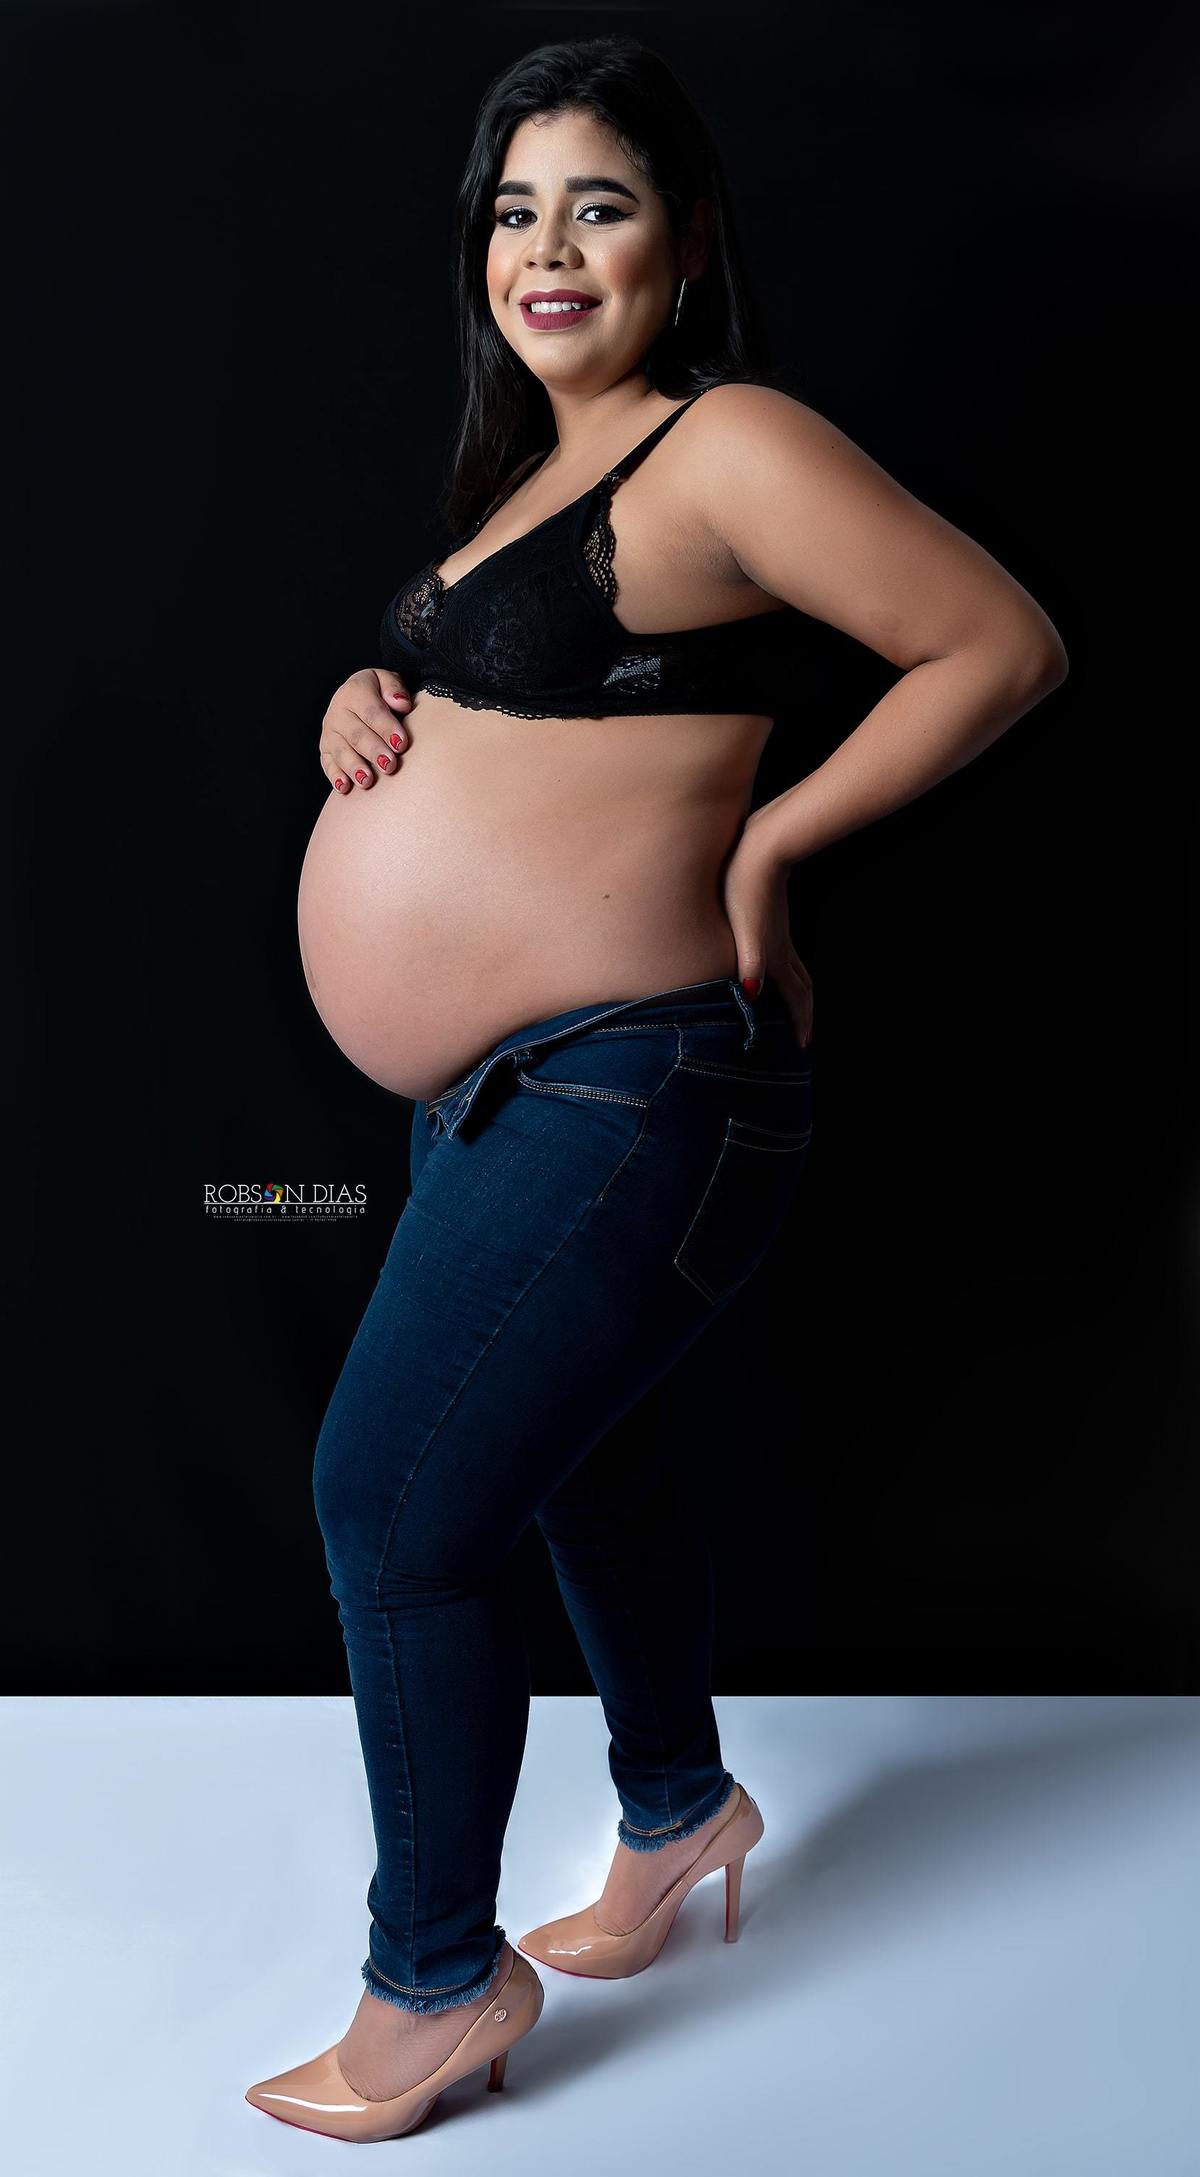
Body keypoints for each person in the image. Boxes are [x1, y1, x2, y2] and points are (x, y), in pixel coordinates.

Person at [245, 34, 1067, 2145]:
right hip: (515, 1093)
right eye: (513, 209)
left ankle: (434, 1989)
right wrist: (374, 690)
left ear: (684, 242)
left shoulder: (726, 443)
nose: (547, 247)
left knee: (389, 1508)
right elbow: (544, 711)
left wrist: (772, 847)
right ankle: (681, 1805)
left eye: (596, 205)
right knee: (581, 1468)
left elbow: (997, 642)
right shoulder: (536, 472)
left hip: (642, 1085)